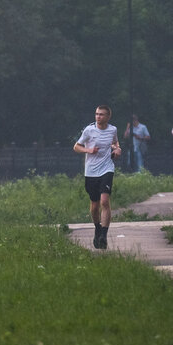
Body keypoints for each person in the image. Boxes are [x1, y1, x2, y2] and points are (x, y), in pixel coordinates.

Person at [73, 105, 122, 249]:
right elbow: (76, 147)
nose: (98, 117)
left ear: (108, 117)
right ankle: (97, 228)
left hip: (107, 168)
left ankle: (104, 236)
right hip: (91, 172)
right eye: (96, 114)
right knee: (94, 206)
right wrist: (89, 150)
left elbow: (115, 142)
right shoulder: (89, 130)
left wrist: (117, 149)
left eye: (101, 114)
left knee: (104, 201)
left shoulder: (113, 130)